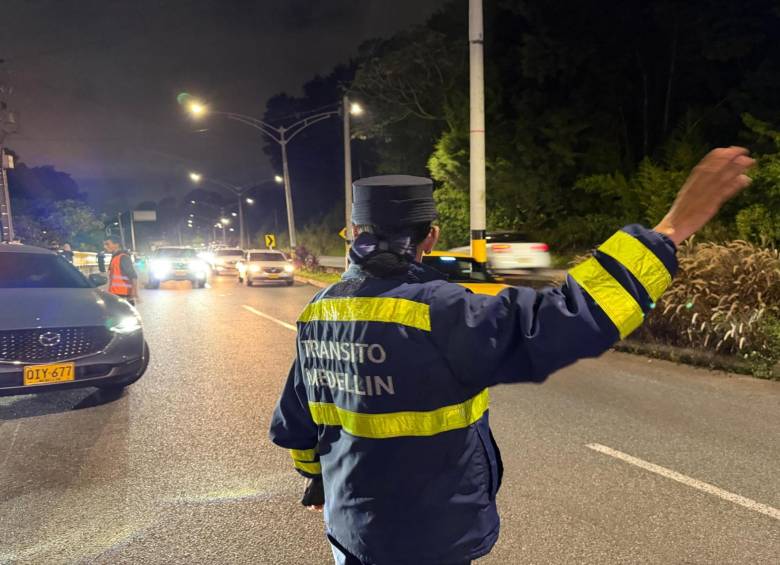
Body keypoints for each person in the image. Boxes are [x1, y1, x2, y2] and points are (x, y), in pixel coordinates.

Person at [269, 147, 754, 565]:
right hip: (428, 541)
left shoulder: (320, 311)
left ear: (353, 232)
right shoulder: (442, 312)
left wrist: (315, 480)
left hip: (349, 531)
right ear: (431, 236)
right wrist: (670, 230)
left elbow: (297, 420)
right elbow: (573, 317)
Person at [103, 235, 139, 305]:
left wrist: (134, 292)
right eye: (104, 244)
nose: (105, 247)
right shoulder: (115, 257)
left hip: (124, 296)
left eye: (107, 244)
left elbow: (133, 276)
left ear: (116, 245)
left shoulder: (123, 257)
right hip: (116, 294)